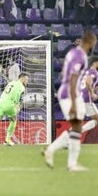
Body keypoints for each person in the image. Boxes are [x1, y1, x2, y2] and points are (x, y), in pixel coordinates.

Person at [43, 30, 97, 171]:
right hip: (69, 93)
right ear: (90, 41)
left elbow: (66, 73)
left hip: (69, 91)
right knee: (77, 126)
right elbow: (73, 77)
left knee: (77, 127)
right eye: (94, 41)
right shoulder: (80, 55)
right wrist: (74, 99)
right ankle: (69, 162)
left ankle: (52, 151)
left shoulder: (73, 53)